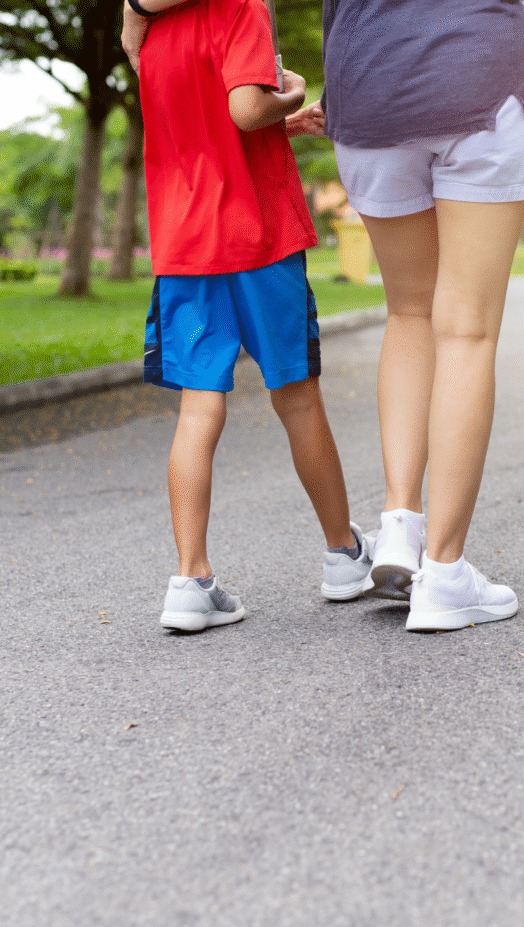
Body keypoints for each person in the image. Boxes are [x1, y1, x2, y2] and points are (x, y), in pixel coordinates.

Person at [123, 0, 524, 633]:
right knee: (465, 330)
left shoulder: (177, 30)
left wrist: (133, 10)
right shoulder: (239, 12)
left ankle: (393, 523)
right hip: (479, 78)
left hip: (360, 99)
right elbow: (243, 105)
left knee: (407, 314)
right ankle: (435, 571)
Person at [129, 0, 373, 631]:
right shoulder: (241, 6)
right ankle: (343, 555)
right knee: (297, 395)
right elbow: (244, 109)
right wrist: (289, 96)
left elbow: (199, 120)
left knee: (197, 406)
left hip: (185, 241)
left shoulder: (148, 25)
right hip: (258, 235)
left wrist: (278, 125)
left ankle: (190, 580)